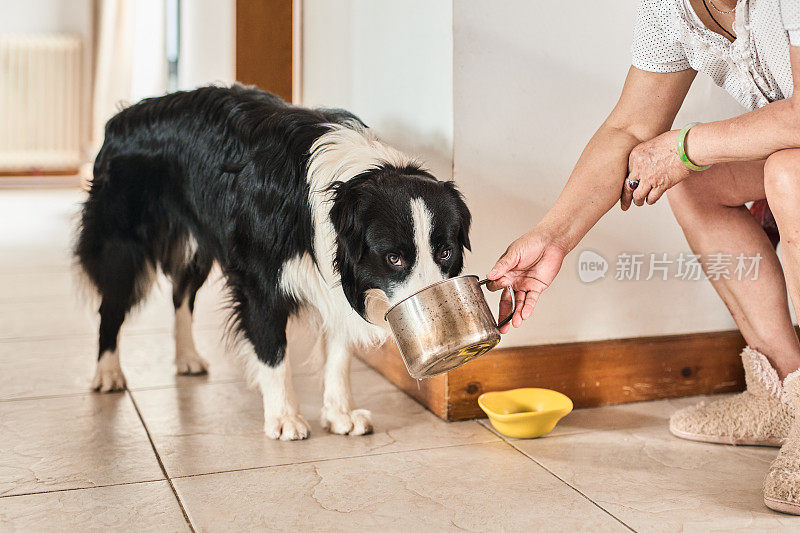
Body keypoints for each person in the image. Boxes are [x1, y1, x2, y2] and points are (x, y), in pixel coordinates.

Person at [487, 0, 800, 514]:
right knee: (695, 185)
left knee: (787, 175)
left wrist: (686, 145)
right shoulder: (671, 7)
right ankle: (787, 395)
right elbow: (629, 130)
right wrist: (552, 237)